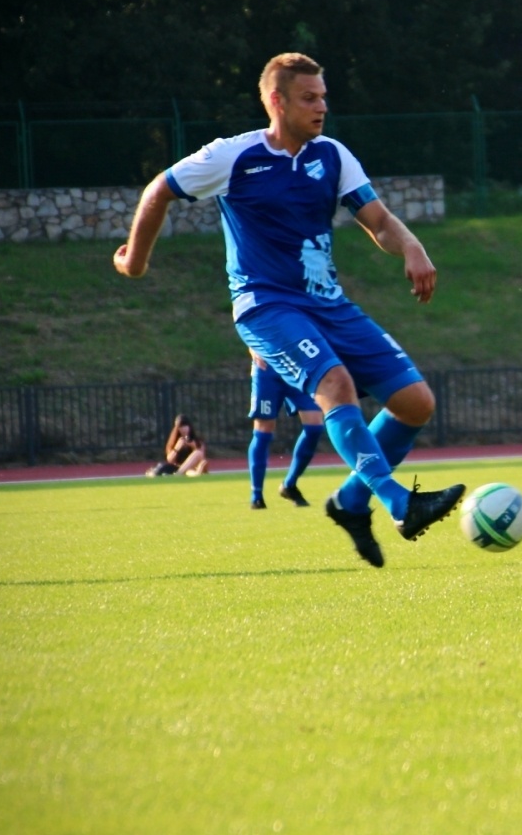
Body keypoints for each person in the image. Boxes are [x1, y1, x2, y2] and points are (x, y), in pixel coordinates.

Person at [113, 52, 463, 567]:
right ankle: (398, 504)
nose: (321, 106)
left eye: (323, 96)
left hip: (329, 305)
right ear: (276, 101)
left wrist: (412, 248)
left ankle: (349, 502)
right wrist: (135, 260)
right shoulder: (232, 156)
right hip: (266, 305)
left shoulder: (333, 156)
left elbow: (380, 220)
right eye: (309, 98)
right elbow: (159, 190)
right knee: (336, 387)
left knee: (416, 403)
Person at [246, 349, 326, 509]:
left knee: (315, 426)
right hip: (267, 370)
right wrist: (252, 346)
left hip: (296, 367)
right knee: (263, 430)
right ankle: (257, 495)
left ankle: (289, 484)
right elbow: (243, 324)